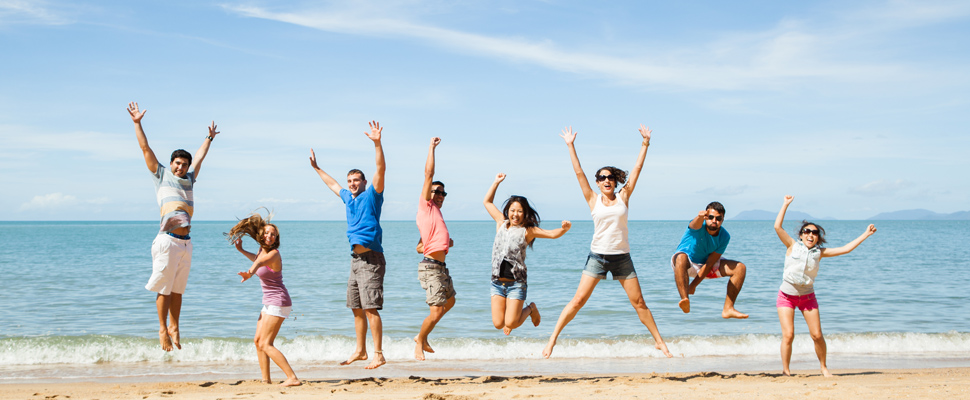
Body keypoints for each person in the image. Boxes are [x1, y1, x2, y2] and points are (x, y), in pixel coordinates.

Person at [542, 125, 672, 359]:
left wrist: (645, 143)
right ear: (598, 183)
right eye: (602, 178)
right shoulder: (592, 198)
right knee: (578, 300)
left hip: (622, 257)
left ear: (615, 180)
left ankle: (660, 343)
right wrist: (570, 145)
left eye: (610, 177)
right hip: (598, 257)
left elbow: (637, 169)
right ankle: (551, 341)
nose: (607, 180)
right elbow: (579, 172)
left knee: (639, 303)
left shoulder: (624, 196)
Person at [128, 101, 219, 351]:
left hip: (186, 242)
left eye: (184, 164)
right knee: (164, 289)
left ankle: (175, 326)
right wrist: (138, 123)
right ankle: (161, 329)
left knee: (178, 291)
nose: (181, 167)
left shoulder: (190, 179)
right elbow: (144, 147)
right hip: (167, 240)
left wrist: (209, 138)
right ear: (171, 164)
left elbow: (200, 156)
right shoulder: (161, 175)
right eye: (177, 163)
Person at [309, 121, 387, 369]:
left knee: (371, 308)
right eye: (350, 180)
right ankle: (361, 351)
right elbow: (333, 184)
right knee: (356, 307)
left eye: (356, 180)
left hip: (371, 259)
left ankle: (378, 354)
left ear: (364, 182)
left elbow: (381, 168)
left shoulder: (372, 196)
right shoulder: (348, 199)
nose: (352, 183)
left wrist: (377, 143)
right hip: (355, 261)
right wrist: (317, 168)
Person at [774, 195, 877, 377]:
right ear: (801, 234)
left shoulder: (820, 253)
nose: (810, 234)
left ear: (818, 238)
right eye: (806, 231)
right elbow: (777, 227)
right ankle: (786, 371)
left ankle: (823, 367)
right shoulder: (791, 245)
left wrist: (866, 234)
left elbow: (846, 249)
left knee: (817, 335)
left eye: (814, 233)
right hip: (786, 296)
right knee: (788, 335)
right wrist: (785, 204)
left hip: (807, 298)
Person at [483, 173, 572, 335]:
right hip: (496, 282)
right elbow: (487, 202)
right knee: (498, 324)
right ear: (507, 211)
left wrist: (564, 229)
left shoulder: (528, 231)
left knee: (512, 323)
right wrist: (496, 182)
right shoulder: (500, 223)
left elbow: (551, 234)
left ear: (524, 213)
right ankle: (516, 315)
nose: (515, 214)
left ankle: (531, 309)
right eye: (512, 210)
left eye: (519, 211)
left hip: (516, 283)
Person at [229, 212, 301, 387]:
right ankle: (265, 379)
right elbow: (257, 259)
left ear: (276, 239)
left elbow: (259, 263)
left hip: (279, 302)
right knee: (257, 341)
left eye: (273, 234)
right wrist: (241, 250)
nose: (270, 236)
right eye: (267, 233)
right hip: (269, 302)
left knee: (266, 343)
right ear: (262, 235)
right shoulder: (262, 251)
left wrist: (249, 273)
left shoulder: (274, 254)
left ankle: (292, 378)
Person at [414, 137, 457, 361]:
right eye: (436, 191)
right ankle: (419, 340)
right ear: (428, 194)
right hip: (431, 268)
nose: (439, 195)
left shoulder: (437, 215)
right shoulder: (426, 206)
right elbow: (428, 174)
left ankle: (424, 335)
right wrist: (431, 148)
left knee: (450, 302)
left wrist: (445, 243)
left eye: (443, 193)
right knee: (437, 310)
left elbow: (419, 246)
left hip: (440, 266)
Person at [670, 201, 749, 319]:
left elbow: (710, 263)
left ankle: (728, 308)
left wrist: (694, 285)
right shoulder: (697, 226)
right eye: (711, 217)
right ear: (706, 217)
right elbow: (694, 224)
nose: (714, 221)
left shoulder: (724, 236)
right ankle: (685, 299)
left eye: (718, 218)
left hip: (704, 267)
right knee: (681, 257)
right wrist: (699, 217)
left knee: (740, 268)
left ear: (722, 220)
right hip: (685, 264)